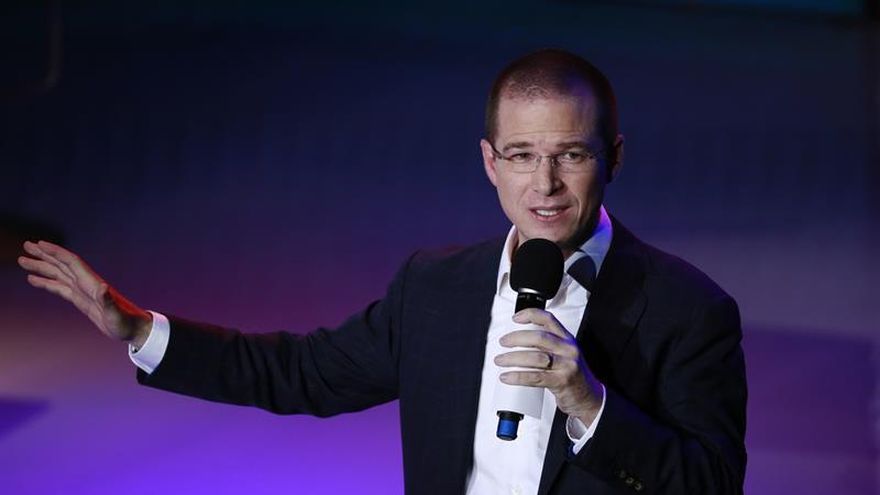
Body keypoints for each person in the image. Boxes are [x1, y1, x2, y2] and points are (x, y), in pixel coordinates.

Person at [17, 49, 747, 494]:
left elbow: (711, 484)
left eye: (572, 155)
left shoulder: (688, 310)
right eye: (522, 156)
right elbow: (299, 373)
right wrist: (139, 329)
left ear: (613, 157)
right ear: (489, 163)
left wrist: (589, 403)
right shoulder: (436, 288)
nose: (545, 184)